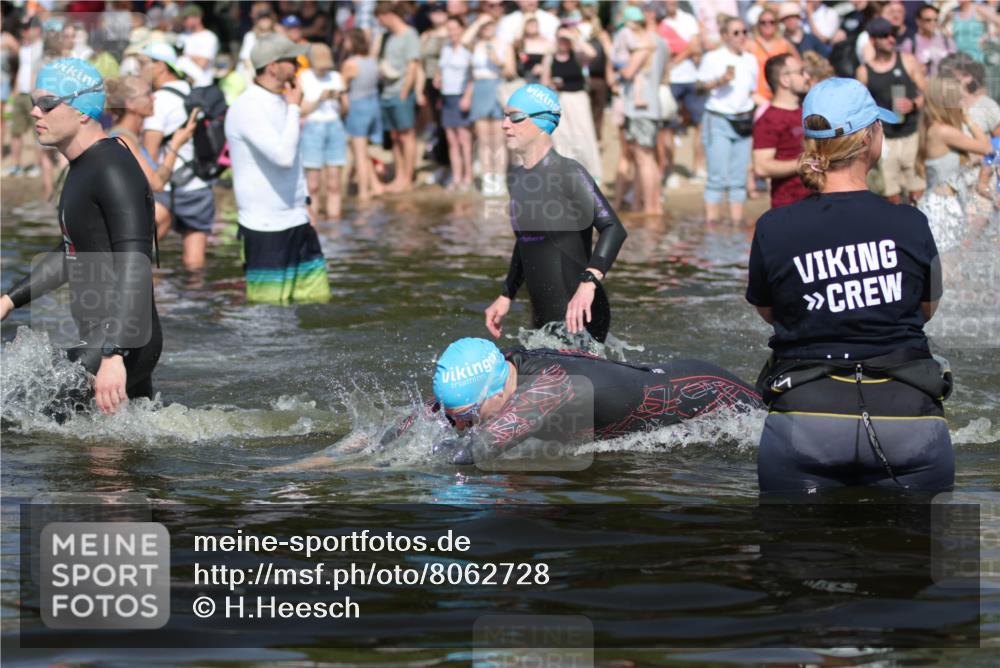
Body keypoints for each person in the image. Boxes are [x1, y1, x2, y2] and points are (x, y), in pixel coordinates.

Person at [746, 77, 953, 494]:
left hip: (804, 421)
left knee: (788, 538)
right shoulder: (911, 222)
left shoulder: (773, 226)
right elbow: (925, 309)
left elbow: (770, 312)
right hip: (909, 420)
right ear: (869, 139)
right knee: (929, 539)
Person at [0, 58, 161, 416]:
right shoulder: (84, 166)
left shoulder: (112, 168)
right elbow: (73, 250)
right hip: (106, 338)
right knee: (119, 447)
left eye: (48, 104)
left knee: (17, 413)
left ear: (83, 111)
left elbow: (135, 262)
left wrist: (114, 355)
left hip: (124, 340)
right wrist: (9, 300)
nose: (36, 112)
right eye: (33, 103)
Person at [422, 338, 764, 465]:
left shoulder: (549, 388)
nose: (460, 426)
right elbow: (424, 413)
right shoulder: (502, 366)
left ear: (497, 392)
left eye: (467, 415)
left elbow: (474, 452)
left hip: (708, 393)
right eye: (455, 418)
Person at [484, 84, 627, 344]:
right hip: (543, 317)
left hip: (579, 314)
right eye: (504, 116)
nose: (505, 125)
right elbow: (527, 241)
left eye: (515, 117)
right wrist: (506, 294)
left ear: (542, 122)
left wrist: (589, 282)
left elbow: (613, 228)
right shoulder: (518, 178)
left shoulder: (568, 172)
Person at [224, 32, 330, 305]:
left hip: (298, 219)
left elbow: (295, 159)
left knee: (316, 303)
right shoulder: (247, 107)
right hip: (264, 226)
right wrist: (295, 108)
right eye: (292, 60)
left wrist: (306, 202)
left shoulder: (282, 100)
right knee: (267, 314)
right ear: (272, 67)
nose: (298, 65)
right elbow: (282, 157)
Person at [139, 42, 217, 272]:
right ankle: (194, 294)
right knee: (194, 264)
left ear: (160, 66)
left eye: (144, 64)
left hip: (165, 189)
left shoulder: (158, 101)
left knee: (141, 258)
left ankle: (155, 295)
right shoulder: (191, 91)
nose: (139, 70)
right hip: (198, 185)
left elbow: (150, 154)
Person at [104, 74, 197, 240]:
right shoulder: (123, 139)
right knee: (163, 212)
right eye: (147, 94)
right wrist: (175, 145)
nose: (154, 97)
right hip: (121, 229)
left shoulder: (131, 137)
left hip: (125, 226)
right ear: (130, 104)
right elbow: (157, 183)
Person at [916, 75, 994, 252]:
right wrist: (967, 118)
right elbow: (988, 148)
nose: (962, 103)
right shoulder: (943, 131)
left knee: (953, 261)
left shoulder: (934, 127)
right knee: (947, 262)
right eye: (958, 99)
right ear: (945, 100)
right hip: (941, 208)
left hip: (946, 202)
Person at [856, 17, 926, 205]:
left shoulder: (908, 61)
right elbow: (860, 107)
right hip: (885, 140)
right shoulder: (864, 71)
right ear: (873, 40)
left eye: (893, 34)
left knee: (918, 193)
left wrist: (913, 104)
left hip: (912, 135)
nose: (891, 39)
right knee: (891, 196)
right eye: (884, 35)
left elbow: (927, 94)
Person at [696, 15, 758, 224]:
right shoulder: (713, 58)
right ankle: (712, 228)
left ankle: (736, 227)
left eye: (744, 32)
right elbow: (698, 87)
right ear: (724, 36)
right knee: (717, 178)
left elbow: (751, 92)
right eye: (736, 32)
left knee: (739, 180)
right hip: (718, 119)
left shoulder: (751, 59)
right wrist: (720, 81)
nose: (741, 36)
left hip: (744, 120)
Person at [618, 5, 668, 215]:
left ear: (649, 16)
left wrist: (618, 65)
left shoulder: (646, 41)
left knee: (643, 158)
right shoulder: (662, 42)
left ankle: (650, 208)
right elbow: (665, 75)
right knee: (648, 158)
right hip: (652, 105)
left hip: (641, 108)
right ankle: (652, 206)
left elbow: (628, 72)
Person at [464, 11, 515, 197]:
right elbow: (464, 40)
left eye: (490, 24)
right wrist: (479, 22)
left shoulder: (504, 44)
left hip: (497, 88)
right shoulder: (476, 44)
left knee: (499, 139)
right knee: (484, 139)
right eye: (484, 26)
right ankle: (488, 179)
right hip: (480, 89)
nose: (487, 28)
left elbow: (511, 72)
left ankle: (500, 178)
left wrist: (498, 62)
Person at [752, 54, 812, 210]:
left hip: (816, 202)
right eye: (801, 72)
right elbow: (761, 167)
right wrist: (803, 163)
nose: (807, 76)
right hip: (788, 207)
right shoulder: (769, 119)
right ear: (785, 80)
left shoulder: (806, 111)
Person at [543, 26, 600, 183]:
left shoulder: (577, 55)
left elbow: (592, 54)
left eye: (565, 39)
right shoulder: (550, 58)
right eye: (560, 39)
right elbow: (544, 82)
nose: (563, 42)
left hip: (578, 99)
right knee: (561, 137)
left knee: (583, 135)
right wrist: (552, 84)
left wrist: (574, 38)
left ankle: (590, 172)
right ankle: (567, 175)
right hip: (558, 99)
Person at [659, 0, 706, 187]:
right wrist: (686, 51)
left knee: (700, 124)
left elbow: (695, 46)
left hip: (691, 77)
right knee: (668, 127)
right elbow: (689, 48)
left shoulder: (688, 19)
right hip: (670, 80)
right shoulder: (660, 22)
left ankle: (698, 167)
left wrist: (675, 59)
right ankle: (669, 170)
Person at [375, 3, 422, 193]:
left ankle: (407, 178)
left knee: (406, 135)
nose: (380, 24)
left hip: (401, 93)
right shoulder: (386, 37)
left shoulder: (409, 34)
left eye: (380, 19)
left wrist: (404, 91)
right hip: (386, 92)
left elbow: (413, 66)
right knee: (394, 136)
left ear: (388, 15)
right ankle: (399, 176)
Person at [299, 42, 347, 220]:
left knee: (334, 183)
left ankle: (334, 222)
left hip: (335, 126)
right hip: (313, 127)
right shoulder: (304, 77)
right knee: (312, 184)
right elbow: (302, 111)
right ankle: (313, 221)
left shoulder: (336, 77)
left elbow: (345, 110)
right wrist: (320, 99)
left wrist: (339, 98)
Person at [341, 27, 384, 201]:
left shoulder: (350, 64)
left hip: (357, 108)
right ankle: (376, 185)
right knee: (363, 149)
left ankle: (363, 191)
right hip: (373, 106)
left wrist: (344, 110)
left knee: (358, 152)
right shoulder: (372, 61)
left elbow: (342, 89)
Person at [436, 16, 474, 191]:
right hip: (447, 97)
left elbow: (472, 77)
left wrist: (467, 97)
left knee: (464, 139)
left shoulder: (467, 51)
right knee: (452, 140)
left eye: (454, 28)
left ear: (461, 29)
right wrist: (438, 79)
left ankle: (468, 176)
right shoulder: (445, 49)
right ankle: (456, 176)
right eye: (449, 29)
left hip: (460, 95)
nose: (451, 32)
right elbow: (441, 70)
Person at [5, 16, 43, 178]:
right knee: (15, 132)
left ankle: (38, 165)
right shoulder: (23, 48)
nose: (23, 32)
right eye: (23, 29)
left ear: (37, 30)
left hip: (35, 96)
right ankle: (15, 166)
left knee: (38, 132)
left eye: (27, 28)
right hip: (20, 94)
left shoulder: (42, 48)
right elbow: (21, 71)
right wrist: (13, 95)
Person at [746, 7, 796, 108]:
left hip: (782, 96)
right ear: (758, 25)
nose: (767, 25)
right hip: (758, 98)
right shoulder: (750, 44)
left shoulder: (784, 44)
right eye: (763, 22)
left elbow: (797, 65)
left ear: (777, 24)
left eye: (771, 22)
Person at [175, 3, 218, 87]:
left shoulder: (209, 37)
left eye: (186, 18)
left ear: (198, 18)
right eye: (183, 19)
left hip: (202, 84)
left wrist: (185, 56)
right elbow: (176, 58)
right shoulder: (182, 36)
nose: (184, 22)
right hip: (182, 83)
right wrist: (194, 58)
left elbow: (203, 63)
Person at [909, 3, 955, 77]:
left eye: (935, 20)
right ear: (918, 21)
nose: (932, 23)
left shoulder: (947, 41)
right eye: (928, 20)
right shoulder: (910, 44)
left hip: (944, 82)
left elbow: (956, 66)